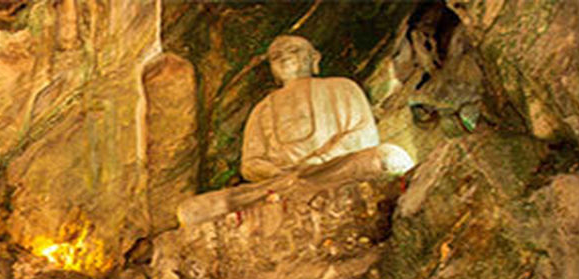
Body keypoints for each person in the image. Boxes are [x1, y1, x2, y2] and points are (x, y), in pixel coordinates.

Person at [177, 35, 412, 226]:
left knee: (388, 158)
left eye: (295, 51)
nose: (286, 57)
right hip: (282, 182)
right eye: (277, 56)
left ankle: (299, 186)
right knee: (190, 210)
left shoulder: (341, 87)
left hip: (332, 170)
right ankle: (295, 187)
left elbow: (363, 135)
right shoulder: (262, 109)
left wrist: (319, 160)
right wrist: (280, 173)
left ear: (315, 58)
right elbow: (250, 164)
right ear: (272, 68)